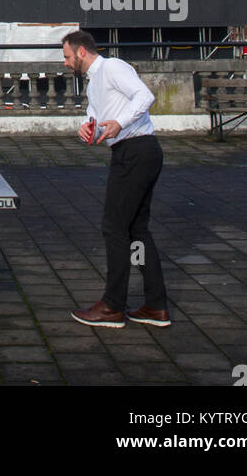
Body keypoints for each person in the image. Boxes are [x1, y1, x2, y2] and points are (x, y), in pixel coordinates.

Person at [61, 29, 170, 329]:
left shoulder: (112, 67)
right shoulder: (94, 85)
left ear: (82, 52)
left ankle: (112, 306)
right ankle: (156, 306)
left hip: (135, 152)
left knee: (114, 227)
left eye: (68, 57)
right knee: (137, 229)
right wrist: (88, 129)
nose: (66, 64)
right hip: (138, 152)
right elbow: (97, 121)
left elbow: (145, 96)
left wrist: (119, 124)